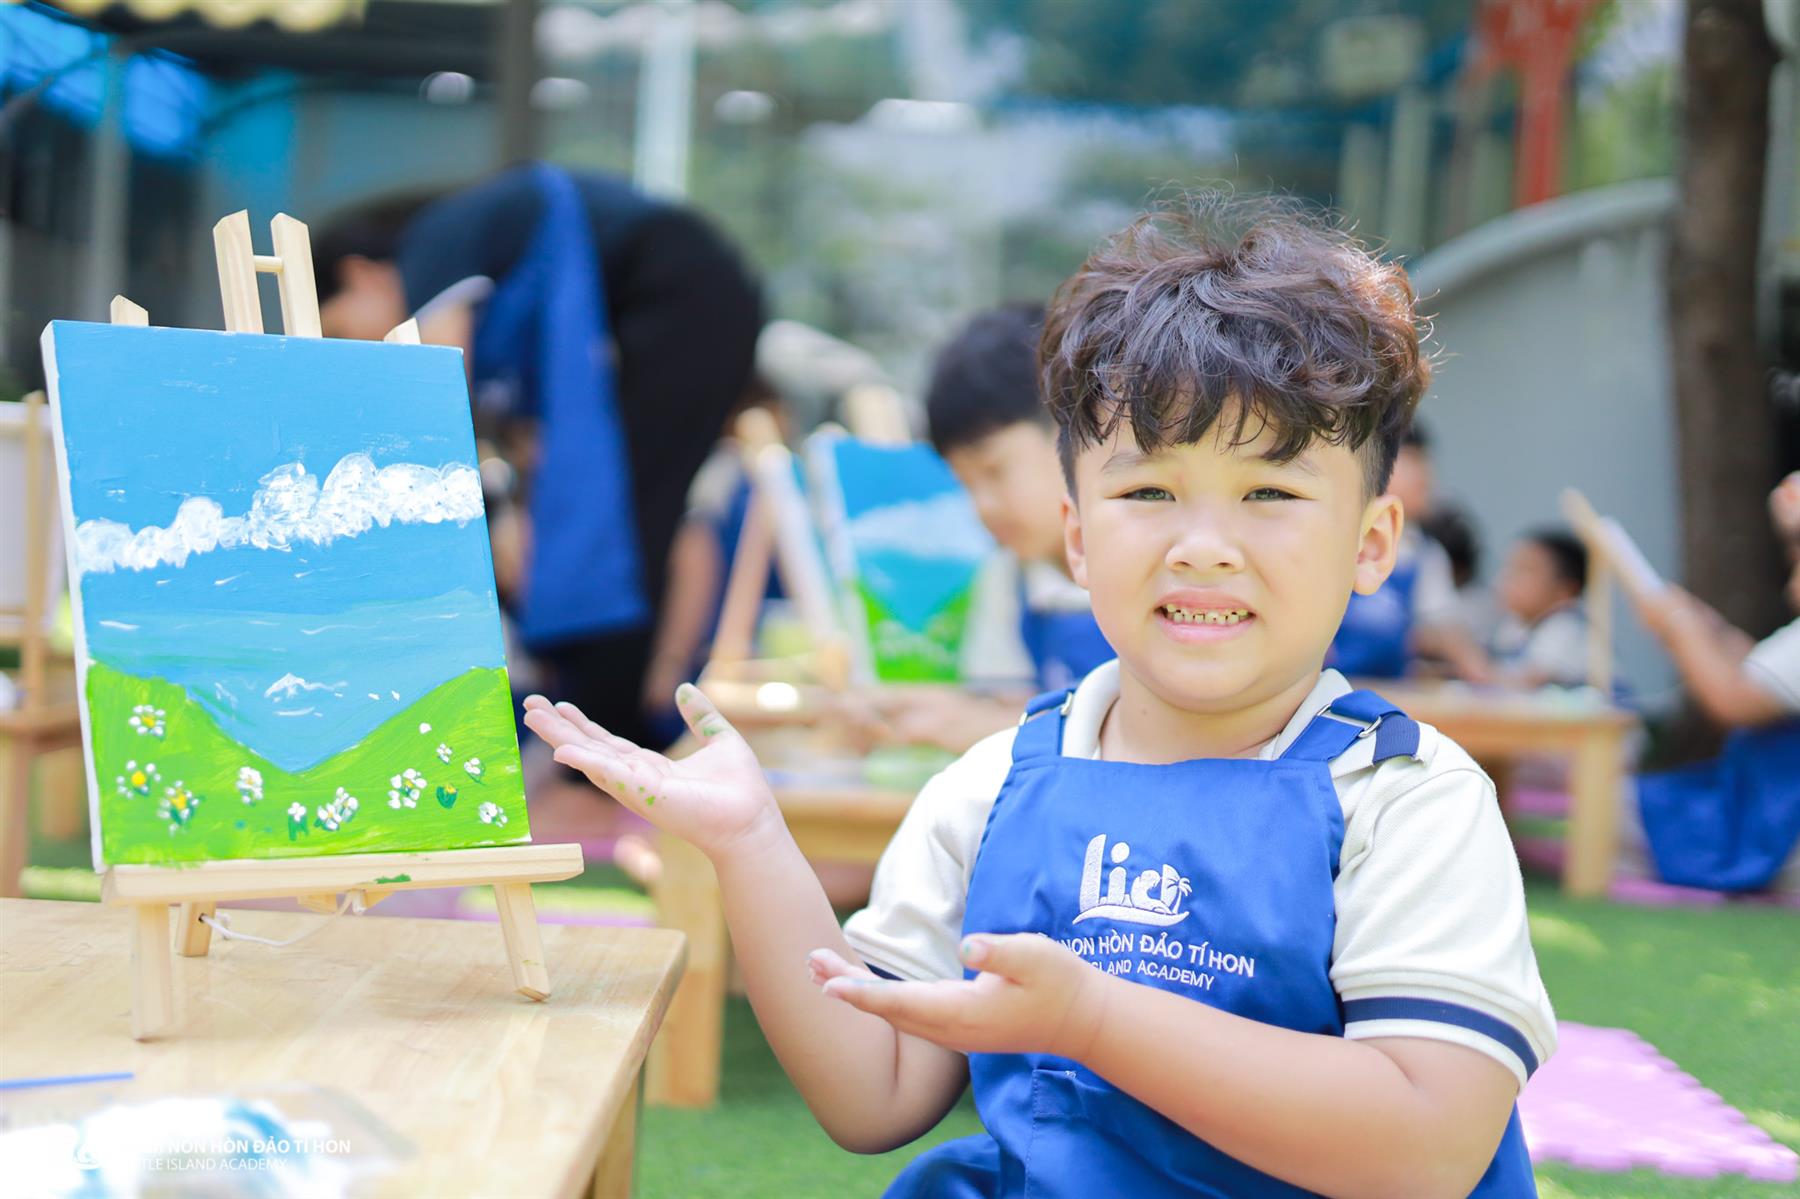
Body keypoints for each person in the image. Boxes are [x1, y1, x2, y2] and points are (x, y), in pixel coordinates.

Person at [523, 195, 1553, 1198]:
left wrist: (1092, 1020)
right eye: (1148, 491)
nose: (1204, 545)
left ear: (1370, 543)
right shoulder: (996, 785)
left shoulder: (1405, 797)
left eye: (1271, 492)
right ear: (1076, 537)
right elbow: (873, 1088)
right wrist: (753, 844)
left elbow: (1426, 1148)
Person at [315, 163, 763, 749]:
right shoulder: (493, 243)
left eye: (339, 329)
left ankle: (601, 746)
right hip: (703, 290)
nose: (358, 349)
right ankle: (600, 731)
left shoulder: (435, 239)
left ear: (360, 275)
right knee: (620, 512)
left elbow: (434, 403)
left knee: (616, 518)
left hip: (684, 292)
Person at [860, 305, 1113, 753]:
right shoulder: (1010, 581)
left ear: (1074, 431)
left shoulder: (1142, 568)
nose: (983, 507)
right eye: (965, 484)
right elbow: (1006, 702)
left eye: (995, 470)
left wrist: (988, 727)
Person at [1627, 471, 1800, 892]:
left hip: (1777, 827)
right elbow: (1763, 675)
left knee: (1617, 813)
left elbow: (1732, 699)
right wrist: (1707, 631)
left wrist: (1680, 625)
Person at [1329, 424, 1491, 681]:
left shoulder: (1425, 553)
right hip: (1328, 685)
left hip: (1388, 691)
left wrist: (1484, 675)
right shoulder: (1334, 536)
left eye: (1426, 464)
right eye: (1413, 461)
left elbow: (1446, 628)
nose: (1426, 477)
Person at [1487, 529, 1591, 689]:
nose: (1508, 578)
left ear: (1566, 590)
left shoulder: (1567, 627)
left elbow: (1527, 682)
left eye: (1524, 570)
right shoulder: (1515, 624)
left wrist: (1470, 665)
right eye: (1509, 568)